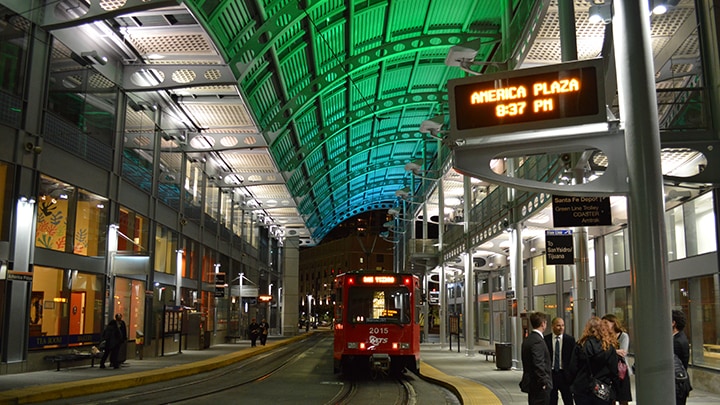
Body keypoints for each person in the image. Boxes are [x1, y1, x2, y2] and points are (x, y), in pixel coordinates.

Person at [567, 316, 620, 405]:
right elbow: (614, 372)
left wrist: (572, 384)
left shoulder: (580, 346)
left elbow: (573, 368)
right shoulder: (609, 348)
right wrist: (615, 392)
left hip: (582, 388)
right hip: (602, 389)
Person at [520, 311, 552, 405]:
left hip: (532, 384)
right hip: (539, 386)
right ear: (543, 324)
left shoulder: (528, 339)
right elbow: (538, 363)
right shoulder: (537, 341)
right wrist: (544, 382)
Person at [601, 314, 631, 405]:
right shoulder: (604, 337)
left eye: (606, 323)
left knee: (623, 398)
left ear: (613, 323)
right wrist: (614, 352)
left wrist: (610, 352)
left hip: (621, 371)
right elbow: (602, 352)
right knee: (610, 398)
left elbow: (623, 352)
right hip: (608, 372)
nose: (604, 326)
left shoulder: (623, 336)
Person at [545, 317, 575, 405]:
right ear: (552, 326)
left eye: (563, 325)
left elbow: (573, 359)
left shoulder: (570, 340)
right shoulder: (546, 340)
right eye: (558, 325)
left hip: (565, 375)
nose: (561, 328)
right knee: (552, 400)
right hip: (552, 374)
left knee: (568, 399)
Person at [673, 309, 692, 405]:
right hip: (680, 383)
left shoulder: (677, 341)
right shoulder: (680, 337)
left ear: (673, 323)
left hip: (678, 384)